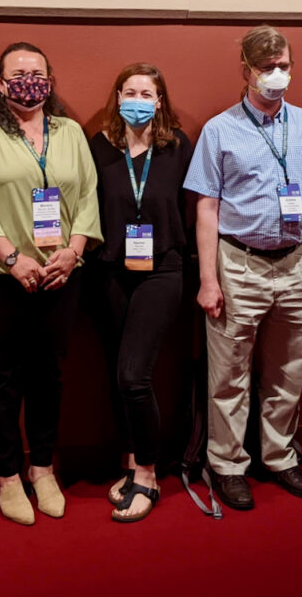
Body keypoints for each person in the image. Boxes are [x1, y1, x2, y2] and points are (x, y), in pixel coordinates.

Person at [0, 42, 102, 525]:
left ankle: (41, 467)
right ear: (1, 84)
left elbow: (88, 197)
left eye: (37, 72)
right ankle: (7, 475)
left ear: (50, 81)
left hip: (60, 276)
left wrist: (74, 250)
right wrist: (12, 258)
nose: (29, 80)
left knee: (48, 376)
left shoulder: (71, 131)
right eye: (18, 73)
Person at [183, 24, 302, 510]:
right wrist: (208, 280)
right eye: (267, 68)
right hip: (238, 262)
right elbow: (206, 207)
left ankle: (281, 456)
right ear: (245, 71)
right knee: (230, 375)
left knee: (290, 368)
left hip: (294, 263)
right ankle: (226, 464)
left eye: (284, 66)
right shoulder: (220, 130)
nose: (277, 75)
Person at [88, 63, 193, 522]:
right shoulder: (100, 146)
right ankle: (131, 464)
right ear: (117, 96)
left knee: (135, 375)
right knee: (117, 373)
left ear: (160, 101)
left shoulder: (177, 147)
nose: (137, 99)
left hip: (162, 270)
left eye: (146, 92)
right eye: (128, 90)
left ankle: (148, 476)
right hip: (110, 270)